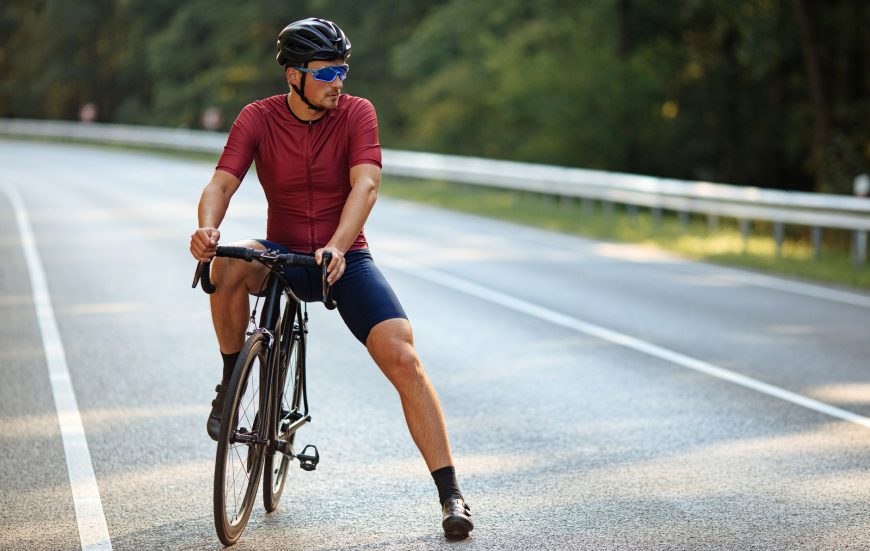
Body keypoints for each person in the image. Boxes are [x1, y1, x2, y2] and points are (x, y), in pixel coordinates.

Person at [188, 17, 473, 539]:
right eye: (326, 72)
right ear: (294, 76)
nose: (338, 81)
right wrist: (207, 228)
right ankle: (232, 381)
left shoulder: (358, 113)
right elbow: (221, 183)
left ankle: (451, 492)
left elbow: (365, 186)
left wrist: (338, 247)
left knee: (404, 356)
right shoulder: (258, 117)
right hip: (280, 250)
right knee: (227, 261)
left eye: (343, 69)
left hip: (343, 254)